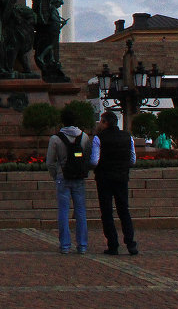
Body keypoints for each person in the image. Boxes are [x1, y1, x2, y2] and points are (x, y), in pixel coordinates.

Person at [91, 111, 138, 255]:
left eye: (101, 121)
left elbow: (94, 161)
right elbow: (133, 160)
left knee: (107, 212)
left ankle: (113, 244)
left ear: (105, 123)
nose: (99, 124)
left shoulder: (99, 138)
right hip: (122, 177)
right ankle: (130, 243)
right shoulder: (127, 137)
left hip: (104, 178)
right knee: (124, 210)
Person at [46, 107, 90, 254]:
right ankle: (82, 245)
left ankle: (65, 245)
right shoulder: (84, 137)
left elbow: (50, 162)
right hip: (78, 177)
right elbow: (87, 158)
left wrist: (56, 174)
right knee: (81, 211)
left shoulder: (55, 138)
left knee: (63, 212)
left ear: (62, 121)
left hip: (62, 177)